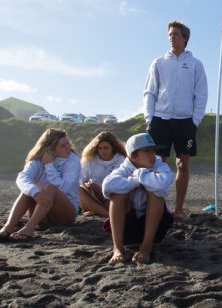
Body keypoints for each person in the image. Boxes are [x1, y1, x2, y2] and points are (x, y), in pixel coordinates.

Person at [143, 20, 208, 221]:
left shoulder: (195, 64)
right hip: (161, 120)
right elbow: (149, 92)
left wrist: (194, 121)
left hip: (185, 122)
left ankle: (178, 209)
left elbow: (201, 94)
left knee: (182, 164)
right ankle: (158, 208)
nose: (172, 37)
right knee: (157, 164)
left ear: (185, 38)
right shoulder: (159, 62)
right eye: (170, 34)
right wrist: (149, 118)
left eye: (176, 34)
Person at [0, 129, 80, 242]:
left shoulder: (73, 161)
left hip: (64, 213)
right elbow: (22, 177)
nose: (68, 147)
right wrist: (35, 192)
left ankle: (29, 228)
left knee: (50, 187)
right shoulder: (38, 161)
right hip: (42, 216)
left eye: (68, 143)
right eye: (63, 145)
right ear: (50, 149)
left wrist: (49, 165)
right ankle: (7, 227)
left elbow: (64, 188)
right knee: (28, 189)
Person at [102, 133, 175, 264]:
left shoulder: (159, 164)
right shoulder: (124, 168)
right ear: (133, 156)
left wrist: (141, 174)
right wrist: (137, 181)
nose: (152, 155)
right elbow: (107, 186)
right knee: (117, 194)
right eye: (147, 151)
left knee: (155, 192)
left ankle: (146, 248)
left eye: (153, 150)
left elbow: (163, 182)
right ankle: (118, 248)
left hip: (155, 230)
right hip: (128, 229)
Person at [79, 132, 127, 217]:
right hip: (93, 197)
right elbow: (81, 180)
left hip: (111, 197)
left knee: (120, 195)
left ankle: (97, 211)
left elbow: (124, 183)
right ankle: (106, 214)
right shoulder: (90, 161)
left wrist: (99, 188)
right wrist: (89, 185)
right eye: (100, 148)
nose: (103, 151)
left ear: (112, 147)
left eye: (106, 148)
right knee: (78, 190)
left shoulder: (122, 161)